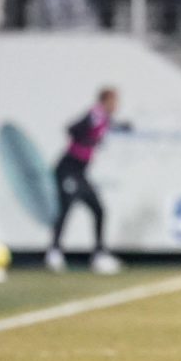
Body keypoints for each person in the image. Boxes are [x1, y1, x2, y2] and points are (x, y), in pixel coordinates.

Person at [46, 87, 124, 274]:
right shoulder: (95, 115)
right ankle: (54, 251)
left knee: (98, 209)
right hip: (68, 169)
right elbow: (72, 129)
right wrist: (88, 140)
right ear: (105, 101)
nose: (116, 105)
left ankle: (99, 254)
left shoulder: (104, 118)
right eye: (113, 101)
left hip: (80, 172)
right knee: (66, 208)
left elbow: (109, 126)